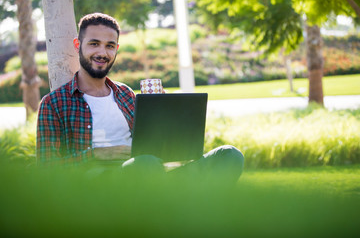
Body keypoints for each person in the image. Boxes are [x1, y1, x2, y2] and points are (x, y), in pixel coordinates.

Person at [36, 13, 244, 183]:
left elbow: (155, 148)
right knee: (145, 164)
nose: (102, 52)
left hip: (149, 174)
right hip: (101, 185)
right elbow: (46, 169)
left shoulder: (126, 94)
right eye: (94, 44)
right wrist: (99, 154)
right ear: (77, 44)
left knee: (229, 156)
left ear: (116, 49)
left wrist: (166, 118)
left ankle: (179, 206)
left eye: (109, 45)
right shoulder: (54, 103)